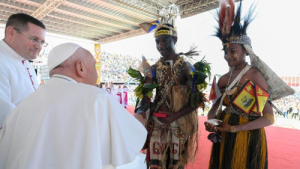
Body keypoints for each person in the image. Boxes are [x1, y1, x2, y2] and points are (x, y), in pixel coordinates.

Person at [0, 43, 147, 169]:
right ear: (80, 67)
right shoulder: (96, 99)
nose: (96, 76)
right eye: (95, 67)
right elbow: (135, 141)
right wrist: (141, 112)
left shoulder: (19, 109)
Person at [204, 1, 294, 169]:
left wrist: (234, 129)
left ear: (246, 50)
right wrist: (211, 122)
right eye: (225, 52)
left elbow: (268, 118)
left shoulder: (255, 76)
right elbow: (213, 109)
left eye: (233, 51)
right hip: (224, 138)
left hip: (248, 139)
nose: (228, 56)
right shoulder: (222, 79)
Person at [132, 5, 210, 169]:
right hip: (157, 123)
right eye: (157, 42)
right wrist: (139, 113)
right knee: (155, 165)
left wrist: (175, 116)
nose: (161, 45)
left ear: (175, 40)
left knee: (175, 165)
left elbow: (196, 101)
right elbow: (145, 98)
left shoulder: (186, 67)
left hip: (178, 125)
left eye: (165, 41)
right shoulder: (152, 69)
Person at [0, 13, 46, 128]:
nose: (39, 47)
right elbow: (4, 116)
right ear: (11, 33)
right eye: (34, 39)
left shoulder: (24, 61)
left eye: (42, 42)